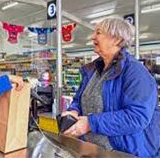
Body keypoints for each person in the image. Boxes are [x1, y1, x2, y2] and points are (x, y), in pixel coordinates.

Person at [62, 18, 160, 157]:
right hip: (93, 150)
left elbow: (137, 117)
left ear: (117, 40)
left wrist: (90, 123)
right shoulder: (93, 71)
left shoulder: (135, 72)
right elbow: (79, 99)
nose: (92, 37)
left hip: (125, 153)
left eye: (98, 32)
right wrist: (73, 111)